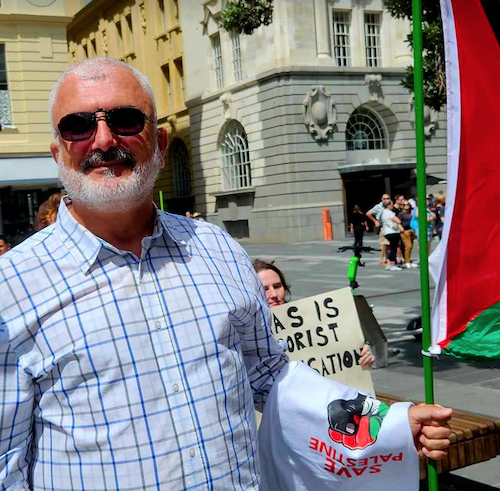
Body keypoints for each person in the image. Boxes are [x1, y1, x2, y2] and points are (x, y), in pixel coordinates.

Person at [0, 58, 451, 490]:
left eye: (124, 119)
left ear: (158, 142)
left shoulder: (216, 247)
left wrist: (383, 426)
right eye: (78, 125)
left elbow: (272, 379)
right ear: (57, 151)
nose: (102, 140)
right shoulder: (11, 287)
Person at [253, 258, 376, 369]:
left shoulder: (310, 320)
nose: (274, 294)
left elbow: (336, 357)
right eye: (265, 289)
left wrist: (361, 355)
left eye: (277, 286)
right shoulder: (249, 333)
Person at [366, 193, 390, 266]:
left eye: (387, 198)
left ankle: (387, 259)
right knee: (382, 245)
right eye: (384, 199)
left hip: (389, 227)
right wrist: (375, 221)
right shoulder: (378, 206)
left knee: (388, 245)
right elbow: (368, 213)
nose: (386, 200)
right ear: (382, 199)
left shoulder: (390, 205)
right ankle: (382, 259)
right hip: (382, 228)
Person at [380, 199, 404, 271]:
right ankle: (392, 264)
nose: (392, 206)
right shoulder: (390, 213)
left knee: (392, 248)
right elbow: (398, 220)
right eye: (391, 204)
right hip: (393, 232)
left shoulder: (383, 213)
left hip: (387, 232)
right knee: (393, 249)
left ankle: (389, 264)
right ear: (388, 205)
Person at [398, 200, 418, 268]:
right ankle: (407, 262)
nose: (406, 206)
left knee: (411, 247)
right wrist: (402, 230)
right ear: (402, 206)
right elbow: (398, 222)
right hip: (405, 231)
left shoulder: (411, 212)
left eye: (407, 204)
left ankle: (409, 260)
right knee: (408, 246)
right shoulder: (401, 214)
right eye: (404, 205)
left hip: (411, 231)